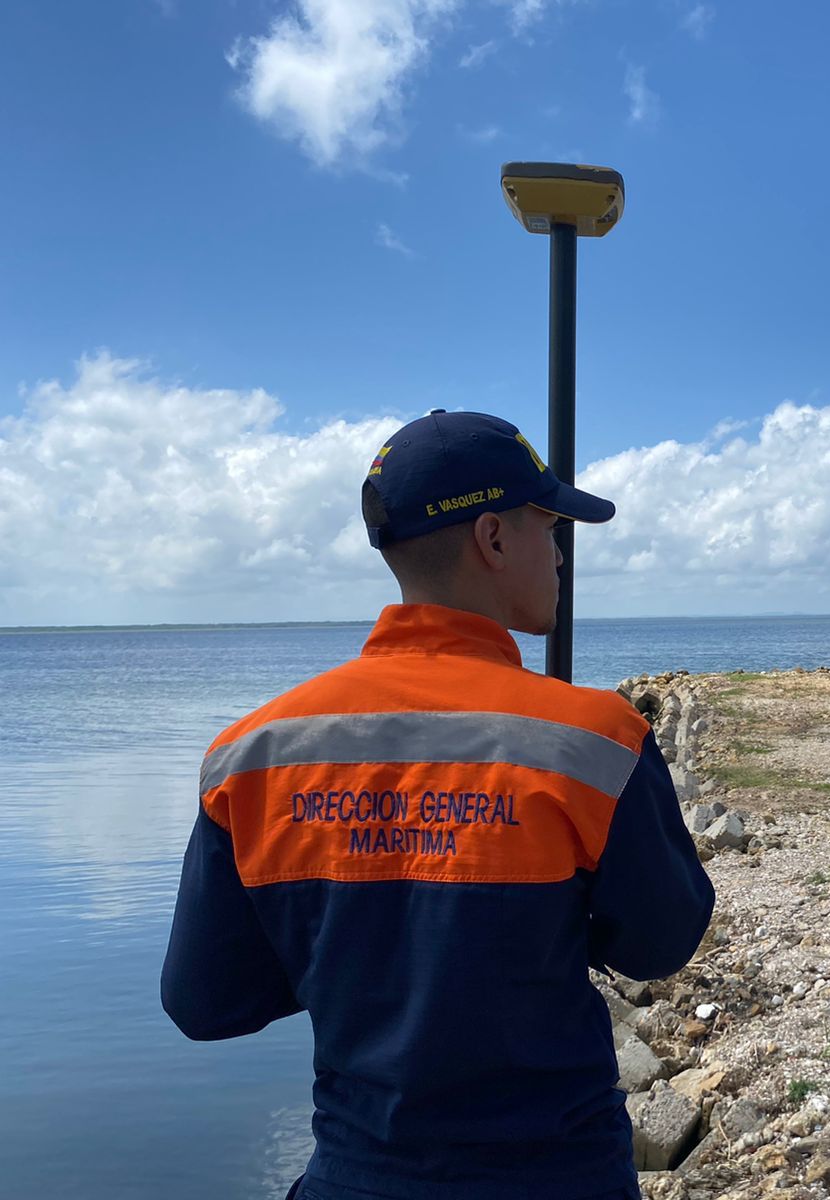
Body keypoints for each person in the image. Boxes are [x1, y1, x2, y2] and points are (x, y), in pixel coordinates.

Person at [162, 409, 715, 1200]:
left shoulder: (248, 756)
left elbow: (204, 1001)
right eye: (549, 526)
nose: (560, 554)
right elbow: (660, 944)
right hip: (558, 1176)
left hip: (356, 1177)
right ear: (492, 538)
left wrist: (347, 943)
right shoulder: (595, 739)